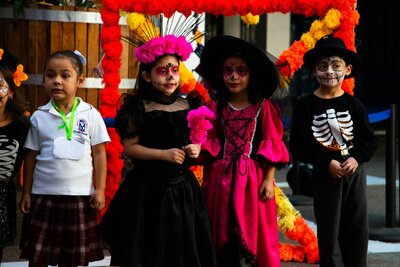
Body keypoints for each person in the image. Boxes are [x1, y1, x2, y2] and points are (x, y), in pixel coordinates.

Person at [99, 32, 217, 266]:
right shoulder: (138, 107)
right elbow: (130, 148)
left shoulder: (190, 104)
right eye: (162, 71)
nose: (170, 77)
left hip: (182, 190)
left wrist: (196, 147)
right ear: (147, 75)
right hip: (147, 190)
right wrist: (163, 154)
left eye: (174, 70)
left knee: (180, 249)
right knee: (148, 248)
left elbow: (199, 136)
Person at [199, 35, 290, 267]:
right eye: (228, 71)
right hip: (221, 177)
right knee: (220, 227)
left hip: (251, 179)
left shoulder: (263, 107)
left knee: (252, 227)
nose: (234, 76)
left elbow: (271, 142)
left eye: (241, 71)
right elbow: (210, 143)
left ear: (252, 75)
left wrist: (269, 179)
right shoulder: (216, 106)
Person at [289, 35, 378, 267]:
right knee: (329, 230)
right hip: (325, 174)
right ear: (314, 71)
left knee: (357, 225)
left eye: (336, 66)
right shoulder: (305, 106)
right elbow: (299, 146)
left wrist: (357, 158)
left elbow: (369, 140)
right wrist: (324, 161)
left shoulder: (354, 105)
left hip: (353, 173)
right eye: (323, 66)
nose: (329, 71)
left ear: (347, 70)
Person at [19, 50, 110, 267]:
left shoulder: (91, 114)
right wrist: (26, 192)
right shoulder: (39, 116)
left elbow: (99, 154)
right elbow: (30, 156)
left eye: (65, 75)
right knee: (39, 256)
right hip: (44, 196)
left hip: (79, 197)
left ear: (80, 81)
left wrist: (99, 189)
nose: (57, 81)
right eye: (50, 75)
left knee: (72, 257)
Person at [0, 48, 29, 264]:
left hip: (3, 193)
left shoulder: (22, 126)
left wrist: (27, 192)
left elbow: (29, 160)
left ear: (10, 91)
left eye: (0, 85)